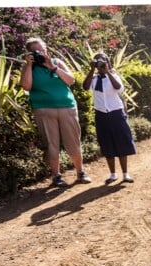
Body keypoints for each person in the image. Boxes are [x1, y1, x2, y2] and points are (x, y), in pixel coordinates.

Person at [20, 37, 91, 187]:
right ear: (30, 52)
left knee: (73, 141)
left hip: (67, 107)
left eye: (43, 49)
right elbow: (26, 86)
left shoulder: (57, 62)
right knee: (52, 144)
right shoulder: (29, 67)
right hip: (44, 110)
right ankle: (56, 176)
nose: (41, 53)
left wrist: (53, 67)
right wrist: (28, 65)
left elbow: (71, 81)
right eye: (37, 51)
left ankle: (80, 172)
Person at [82, 52, 136, 185]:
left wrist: (107, 72)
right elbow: (85, 87)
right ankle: (112, 174)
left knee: (121, 142)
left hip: (116, 113)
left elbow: (118, 88)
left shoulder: (114, 76)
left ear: (108, 63)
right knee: (107, 144)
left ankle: (125, 173)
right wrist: (92, 69)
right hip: (101, 114)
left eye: (103, 61)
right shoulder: (94, 78)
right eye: (98, 62)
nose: (100, 64)